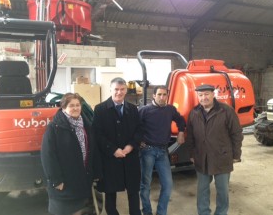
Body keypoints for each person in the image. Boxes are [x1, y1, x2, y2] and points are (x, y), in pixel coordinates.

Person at [185, 84, 243, 215]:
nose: (203, 97)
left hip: (221, 156)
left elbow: (237, 133)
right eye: (200, 95)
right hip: (201, 157)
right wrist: (192, 154)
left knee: (222, 190)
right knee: (202, 189)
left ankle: (221, 213)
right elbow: (190, 136)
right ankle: (203, 212)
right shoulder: (194, 112)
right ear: (197, 96)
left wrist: (236, 154)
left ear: (213, 94)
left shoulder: (226, 110)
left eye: (206, 94)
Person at [41, 93, 102, 215]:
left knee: (80, 209)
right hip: (64, 183)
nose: (75, 108)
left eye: (78, 105)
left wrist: (96, 172)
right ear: (63, 108)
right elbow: (48, 156)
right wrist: (56, 180)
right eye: (71, 105)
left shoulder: (86, 125)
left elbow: (93, 151)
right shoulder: (55, 128)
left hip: (81, 181)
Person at [92, 77, 142, 215]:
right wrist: (113, 149)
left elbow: (139, 130)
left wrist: (131, 146)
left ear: (126, 90)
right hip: (110, 158)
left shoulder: (132, 109)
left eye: (122, 89)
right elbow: (97, 134)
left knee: (133, 191)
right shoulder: (100, 109)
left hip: (130, 156)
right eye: (116, 89)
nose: (119, 92)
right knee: (110, 192)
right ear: (110, 89)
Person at [138, 85, 186, 215]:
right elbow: (133, 127)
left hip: (163, 152)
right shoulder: (144, 110)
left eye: (164, 95)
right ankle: (147, 211)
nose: (162, 97)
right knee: (145, 184)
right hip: (147, 151)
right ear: (153, 95)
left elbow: (181, 120)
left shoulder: (170, 109)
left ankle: (161, 212)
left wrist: (181, 132)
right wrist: (138, 141)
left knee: (168, 185)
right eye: (159, 94)